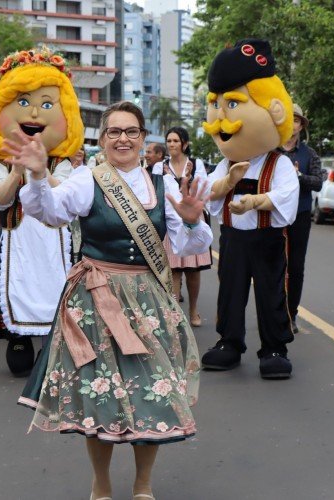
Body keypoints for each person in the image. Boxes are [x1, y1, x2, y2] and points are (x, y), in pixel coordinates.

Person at [13, 101, 212, 500]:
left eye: (131, 131)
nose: (123, 138)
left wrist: (192, 219)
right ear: (102, 140)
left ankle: (143, 483)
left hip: (149, 301)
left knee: (153, 391)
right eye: (114, 132)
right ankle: (100, 483)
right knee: (100, 397)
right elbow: (49, 211)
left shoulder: (163, 186)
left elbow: (190, 242)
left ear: (143, 139)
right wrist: (37, 175)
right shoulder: (88, 179)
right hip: (96, 299)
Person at [0, 46, 83, 375]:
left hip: (53, 239)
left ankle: (51, 341)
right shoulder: (1, 160)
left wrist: (40, 170)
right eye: (23, 103)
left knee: (54, 285)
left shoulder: (62, 163)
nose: (35, 114)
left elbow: (64, 195)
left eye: (46, 104)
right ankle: (18, 338)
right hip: (17, 239)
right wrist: (15, 173)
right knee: (16, 285)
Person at [201, 39, 300, 379]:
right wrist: (228, 183)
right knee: (230, 290)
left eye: (234, 103)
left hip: (267, 238)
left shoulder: (279, 163)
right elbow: (209, 193)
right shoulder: (225, 162)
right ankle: (229, 342)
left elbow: (286, 195)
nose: (222, 117)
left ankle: (274, 347)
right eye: (218, 104)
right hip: (233, 238)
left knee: (272, 292)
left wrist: (255, 201)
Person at [151, 127, 211, 327]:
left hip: (192, 220)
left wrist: (189, 182)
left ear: (184, 144)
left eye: (176, 141)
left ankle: (194, 309)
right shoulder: (160, 167)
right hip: (170, 222)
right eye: (169, 141)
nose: (172, 144)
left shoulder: (196, 164)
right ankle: (176, 314)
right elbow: (157, 194)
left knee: (193, 270)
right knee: (174, 269)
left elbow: (204, 191)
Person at [278, 103, 322, 334]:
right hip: (274, 215)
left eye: (296, 120)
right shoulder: (271, 151)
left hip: (300, 215)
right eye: (289, 119)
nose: (292, 124)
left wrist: (299, 176)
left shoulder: (309, 154)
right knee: (274, 265)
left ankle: (291, 314)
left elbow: (318, 182)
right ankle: (274, 313)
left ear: (301, 125)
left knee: (295, 267)